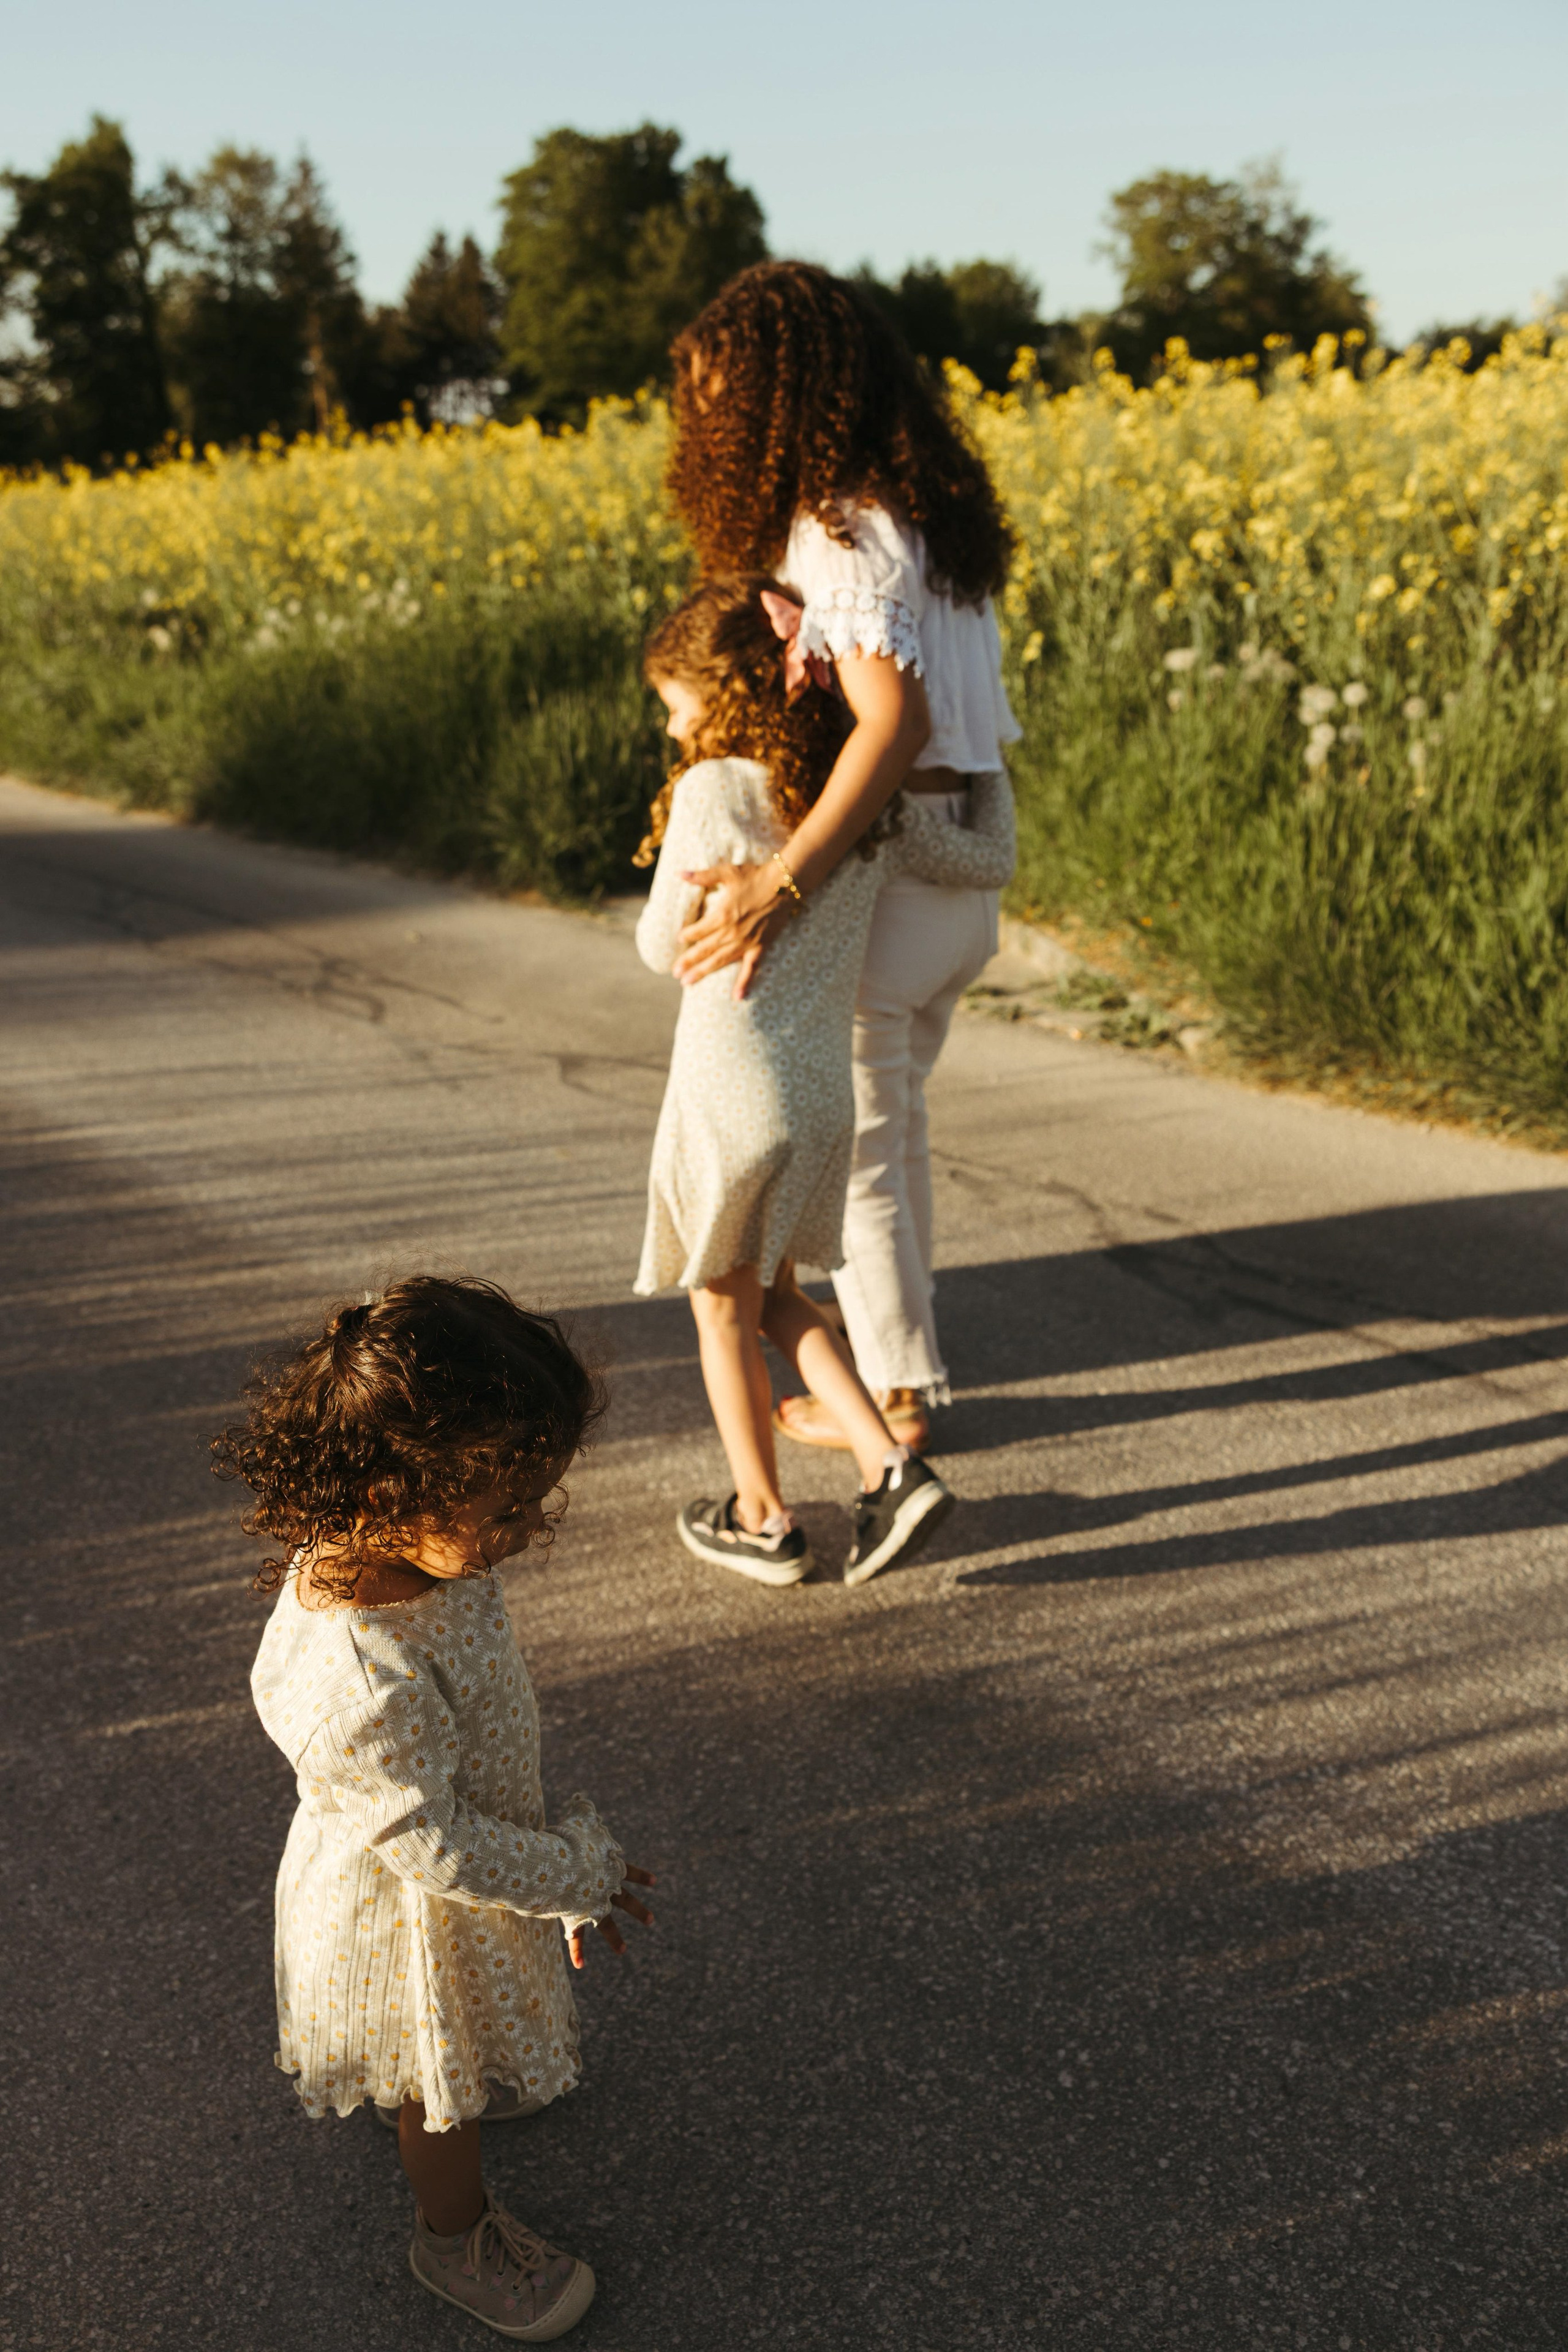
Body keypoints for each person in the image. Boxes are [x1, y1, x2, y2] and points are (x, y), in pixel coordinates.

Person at [219, 1276, 655, 2343]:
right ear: (383, 1496)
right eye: (505, 1510)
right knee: (433, 2088)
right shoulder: (362, 1676)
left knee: (457, 2050)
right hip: (408, 1913)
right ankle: (453, 2233)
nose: (528, 1529)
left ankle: (464, 2101)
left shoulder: (412, 1553)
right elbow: (440, 1849)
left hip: (460, 1864)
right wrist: (575, 1873)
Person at [665, 261, 1021, 1452]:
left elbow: (892, 724)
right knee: (890, 1133)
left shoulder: (837, 531)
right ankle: (901, 1370)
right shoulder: (924, 516)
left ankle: (898, 1397)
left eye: (721, 391)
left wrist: (779, 878)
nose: (708, 417)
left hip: (894, 868)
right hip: (958, 859)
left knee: (863, 1146)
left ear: (779, 392)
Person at [634, 573, 1012, 1587]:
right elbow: (990, 859)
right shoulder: (865, 815)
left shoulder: (714, 790)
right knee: (775, 1300)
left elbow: (656, 943)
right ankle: (891, 1468)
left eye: (676, 707)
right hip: (816, 1100)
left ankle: (761, 1518)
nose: (673, 730)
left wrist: (692, 895)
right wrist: (986, 758)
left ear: (721, 697)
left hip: (727, 1094)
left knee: (719, 1309)